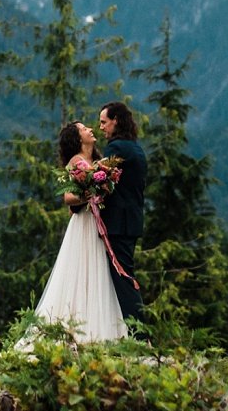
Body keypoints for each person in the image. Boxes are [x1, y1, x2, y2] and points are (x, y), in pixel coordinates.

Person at [27, 121, 128, 343]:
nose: (91, 130)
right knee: (83, 270)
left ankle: (96, 329)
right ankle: (79, 330)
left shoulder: (97, 162)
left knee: (97, 272)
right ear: (77, 138)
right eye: (84, 129)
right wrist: (92, 192)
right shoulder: (76, 161)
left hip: (96, 221)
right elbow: (68, 198)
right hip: (84, 224)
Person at [98, 101, 146, 322]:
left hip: (118, 223)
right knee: (123, 276)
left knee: (123, 278)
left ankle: (139, 334)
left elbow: (101, 183)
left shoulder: (116, 149)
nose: (101, 128)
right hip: (131, 221)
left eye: (104, 122)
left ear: (116, 121)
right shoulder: (135, 148)